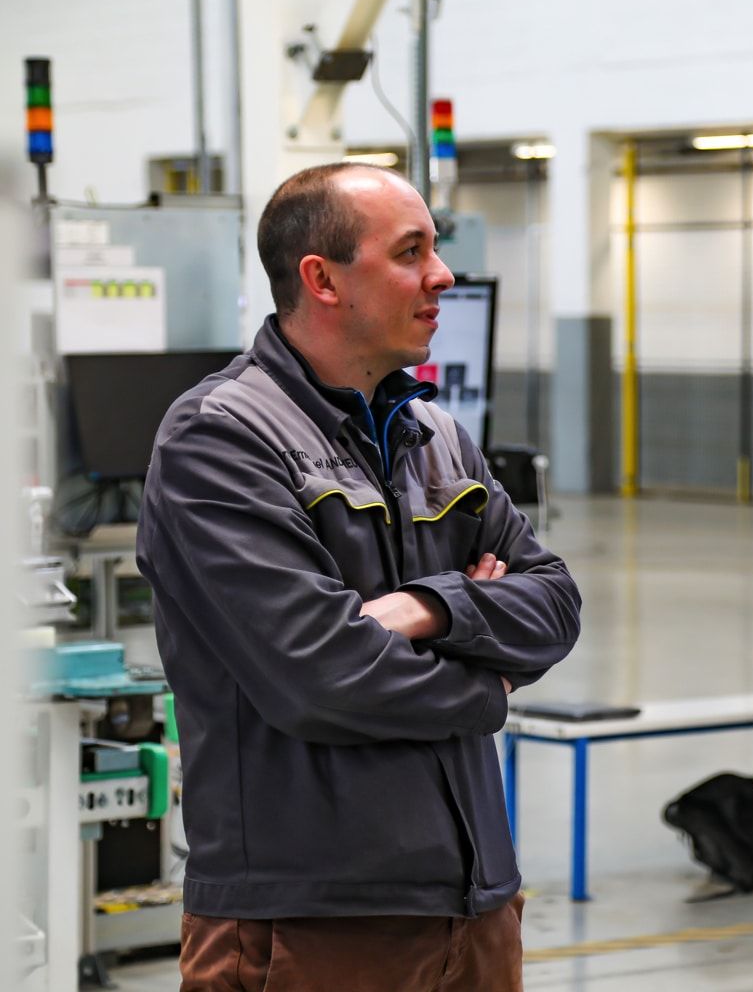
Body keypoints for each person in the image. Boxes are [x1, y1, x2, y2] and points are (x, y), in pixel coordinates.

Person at [137, 162, 582, 991]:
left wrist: (423, 608)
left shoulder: (436, 435)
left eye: (436, 249)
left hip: (477, 909)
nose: (442, 275)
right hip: (309, 926)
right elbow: (322, 675)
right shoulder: (223, 439)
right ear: (323, 279)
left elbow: (555, 602)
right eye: (411, 251)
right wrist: (488, 685)